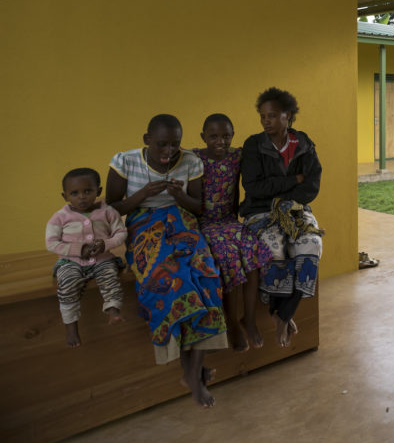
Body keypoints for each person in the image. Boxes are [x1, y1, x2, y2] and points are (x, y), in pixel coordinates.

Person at [106, 114, 227, 408]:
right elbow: (110, 209)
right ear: (146, 140)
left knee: (207, 278)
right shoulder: (125, 161)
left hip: (183, 222)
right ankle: (190, 370)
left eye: (175, 144)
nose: (168, 151)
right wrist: (142, 195)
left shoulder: (191, 162)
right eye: (161, 144)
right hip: (144, 227)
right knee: (172, 280)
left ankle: (193, 371)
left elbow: (198, 208)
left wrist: (178, 196)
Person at [240, 87, 323, 348]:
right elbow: (253, 187)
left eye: (272, 116)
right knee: (274, 248)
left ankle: (283, 314)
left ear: (288, 116)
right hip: (260, 212)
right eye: (263, 116)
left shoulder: (304, 144)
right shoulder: (254, 145)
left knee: (311, 246)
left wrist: (282, 191)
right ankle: (282, 316)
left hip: (296, 210)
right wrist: (291, 180)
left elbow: (311, 187)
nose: (266, 121)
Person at [193, 113, 272, 352]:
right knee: (228, 258)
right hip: (205, 224)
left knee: (253, 250)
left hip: (229, 221)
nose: (220, 141)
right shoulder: (195, 158)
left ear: (233, 136)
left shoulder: (237, 156)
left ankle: (248, 318)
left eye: (226, 136)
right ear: (203, 137)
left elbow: (263, 153)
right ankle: (231, 321)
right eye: (213, 136)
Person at [45, 167, 127, 347]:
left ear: (98, 192)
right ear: (65, 196)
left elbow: (120, 233)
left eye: (87, 191)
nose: (81, 197)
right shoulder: (60, 217)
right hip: (71, 262)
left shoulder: (108, 212)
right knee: (67, 284)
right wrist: (77, 249)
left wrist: (105, 244)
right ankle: (71, 328)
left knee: (110, 277)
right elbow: (51, 243)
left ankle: (113, 311)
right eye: (74, 193)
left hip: (102, 259)